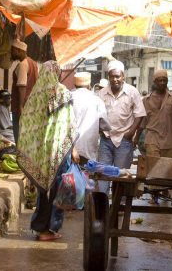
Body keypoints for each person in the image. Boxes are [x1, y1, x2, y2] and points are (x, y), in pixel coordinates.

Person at [17, 61, 75, 242]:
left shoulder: (35, 94)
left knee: (44, 190)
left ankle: (39, 226)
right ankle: (49, 229)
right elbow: (69, 123)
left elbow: (26, 122)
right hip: (58, 150)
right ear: (57, 74)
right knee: (58, 190)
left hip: (40, 152)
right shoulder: (62, 93)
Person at [97, 60, 146, 194]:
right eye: (112, 76)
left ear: (123, 76)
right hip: (106, 139)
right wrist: (100, 129)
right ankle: (102, 206)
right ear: (108, 77)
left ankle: (119, 209)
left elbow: (140, 114)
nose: (115, 79)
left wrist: (131, 132)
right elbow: (97, 114)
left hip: (124, 140)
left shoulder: (132, 92)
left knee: (121, 176)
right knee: (103, 175)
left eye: (117, 76)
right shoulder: (101, 93)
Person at [141, 70, 172, 158]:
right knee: (153, 167)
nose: (162, 83)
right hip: (152, 139)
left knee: (166, 168)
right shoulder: (146, 100)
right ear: (154, 82)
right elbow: (142, 121)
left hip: (169, 141)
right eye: (159, 80)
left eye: (164, 80)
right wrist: (136, 137)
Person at [71, 71, 106, 163]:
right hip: (88, 148)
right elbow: (104, 125)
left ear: (75, 84)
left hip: (69, 148)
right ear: (89, 85)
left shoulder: (68, 97)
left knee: (70, 176)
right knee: (86, 175)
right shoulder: (97, 100)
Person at [11, 39, 38, 144]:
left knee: (20, 139)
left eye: (13, 50)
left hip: (22, 107)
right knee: (28, 139)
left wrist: (20, 107)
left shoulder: (23, 64)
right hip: (32, 106)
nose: (12, 53)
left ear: (19, 50)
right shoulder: (33, 63)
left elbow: (22, 86)